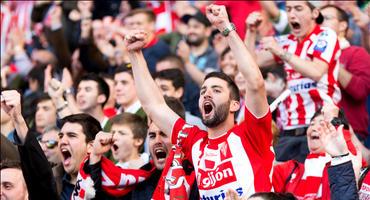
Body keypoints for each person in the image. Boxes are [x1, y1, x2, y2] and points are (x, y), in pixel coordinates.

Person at [124, 4, 273, 198]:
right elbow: (154, 106)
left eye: (216, 90)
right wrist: (135, 55)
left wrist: (226, 28)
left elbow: (254, 82)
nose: (207, 94)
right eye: (203, 91)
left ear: (235, 104)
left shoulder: (252, 134)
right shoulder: (194, 141)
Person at [245, 1, 341, 162]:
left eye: (298, 8)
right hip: (288, 131)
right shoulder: (286, 41)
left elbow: (316, 71)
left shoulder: (325, 35)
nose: (291, 14)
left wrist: (281, 52)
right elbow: (250, 63)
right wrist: (251, 32)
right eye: (288, 9)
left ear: (314, 13)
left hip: (321, 127)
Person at [73, 96, 199, 199]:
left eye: (164, 134)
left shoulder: (200, 174)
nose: (157, 141)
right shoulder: (140, 179)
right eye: (152, 135)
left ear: (181, 136)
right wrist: (95, 157)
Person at [272, 104, 360, 200]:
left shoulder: (341, 167)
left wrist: (334, 120)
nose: (314, 128)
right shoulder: (290, 169)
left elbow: (343, 148)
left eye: (322, 124)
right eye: (312, 124)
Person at [320, 4, 370, 142]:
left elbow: (360, 91)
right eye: (318, 19)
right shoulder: (310, 55)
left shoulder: (356, 52)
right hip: (316, 132)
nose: (320, 23)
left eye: (326, 18)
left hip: (348, 132)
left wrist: (330, 58)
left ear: (342, 26)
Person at [177, 10, 219, 86]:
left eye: (196, 27)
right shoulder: (180, 51)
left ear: (207, 31)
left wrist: (187, 62)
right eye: (188, 27)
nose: (191, 31)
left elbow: (209, 83)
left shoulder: (214, 55)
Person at [125, 8, 171, 74]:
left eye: (139, 23)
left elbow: (154, 76)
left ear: (152, 25)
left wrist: (126, 60)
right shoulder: (134, 46)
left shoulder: (160, 48)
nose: (134, 27)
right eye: (132, 24)